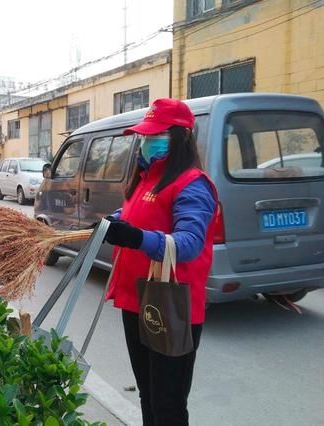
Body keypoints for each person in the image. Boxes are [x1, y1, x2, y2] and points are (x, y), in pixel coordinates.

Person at [102, 98, 218, 426]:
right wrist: (115, 221)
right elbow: (136, 212)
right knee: (147, 394)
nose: (147, 142)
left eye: (155, 136)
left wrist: (137, 238)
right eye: (145, 136)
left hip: (169, 305)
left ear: (179, 138)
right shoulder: (147, 177)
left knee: (168, 403)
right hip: (137, 300)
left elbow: (190, 243)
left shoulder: (192, 184)